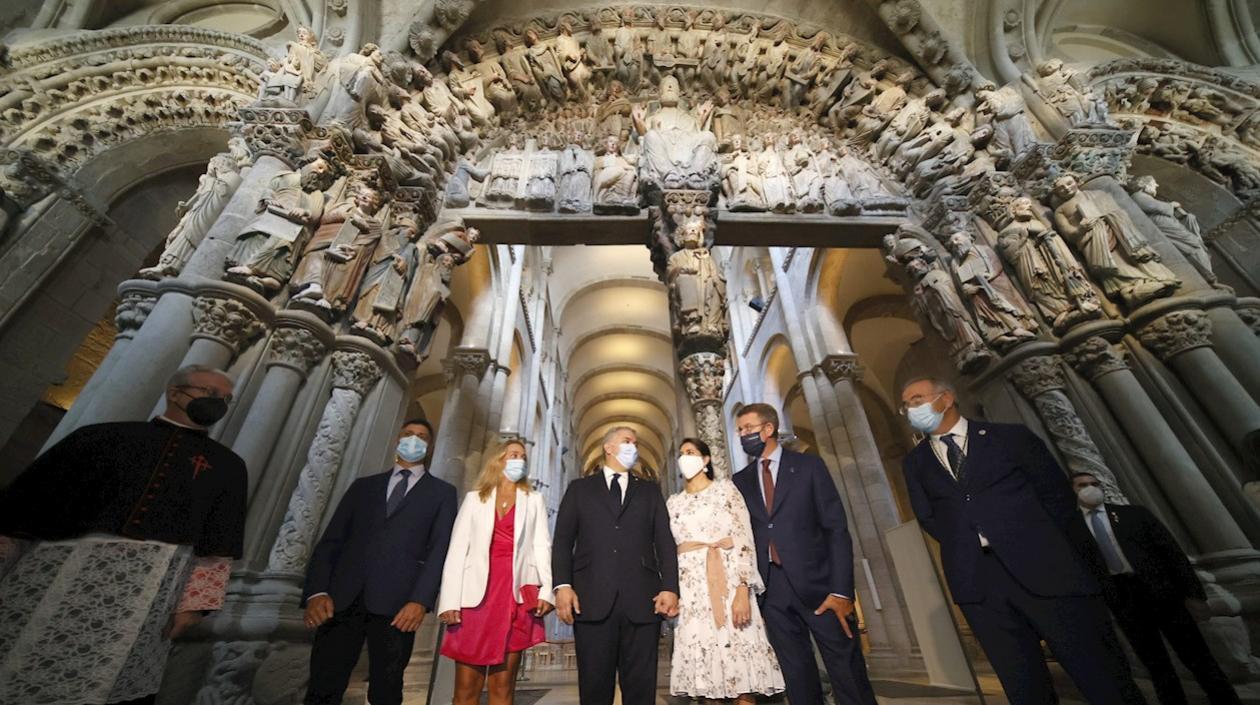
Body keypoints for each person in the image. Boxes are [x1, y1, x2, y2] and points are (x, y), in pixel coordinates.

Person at [0, 365, 246, 705]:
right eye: (210, 393)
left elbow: (218, 544)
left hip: (153, 586)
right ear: (175, 393)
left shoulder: (228, 466)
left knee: (111, 679)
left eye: (226, 399)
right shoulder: (100, 437)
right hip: (60, 569)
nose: (218, 402)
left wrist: (195, 607)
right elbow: (27, 507)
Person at [899, 377, 1147, 705]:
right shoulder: (915, 463)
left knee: (1099, 675)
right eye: (906, 405)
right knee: (1023, 686)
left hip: (1046, 568)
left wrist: (1080, 565)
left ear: (945, 399)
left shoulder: (1010, 437)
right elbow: (929, 516)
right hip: (980, 583)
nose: (911, 409)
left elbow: (1057, 499)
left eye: (917, 400)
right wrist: (968, 543)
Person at [302, 419, 457, 705]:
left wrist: (420, 601)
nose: (414, 440)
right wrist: (316, 591)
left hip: (398, 605)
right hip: (342, 598)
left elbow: (439, 550)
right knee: (323, 685)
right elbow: (332, 540)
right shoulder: (364, 486)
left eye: (421, 437)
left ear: (430, 446)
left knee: (386, 691)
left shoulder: (442, 493)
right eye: (408, 434)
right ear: (397, 440)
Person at [731, 403, 876, 705]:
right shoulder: (740, 481)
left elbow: (835, 529)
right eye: (740, 430)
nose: (743, 434)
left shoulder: (809, 466)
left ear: (768, 429)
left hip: (821, 586)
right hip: (772, 590)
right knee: (796, 675)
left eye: (748, 428)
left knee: (846, 671)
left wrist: (841, 591)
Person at [1070, 472, 1242, 705]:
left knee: (1197, 655)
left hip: (1161, 592)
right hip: (1123, 599)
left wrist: (1194, 594)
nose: (1090, 488)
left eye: (1094, 484)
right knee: (1155, 663)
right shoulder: (1072, 529)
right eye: (1082, 485)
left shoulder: (1133, 514)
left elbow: (1172, 554)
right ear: (1073, 490)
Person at [552, 426, 680, 705]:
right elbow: (562, 541)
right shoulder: (579, 489)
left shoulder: (649, 491)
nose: (633, 446)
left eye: (636, 442)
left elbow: (664, 542)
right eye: (627, 440)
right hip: (591, 598)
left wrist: (670, 587)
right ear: (608, 447)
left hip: (643, 599)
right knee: (594, 689)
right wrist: (562, 585)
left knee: (641, 690)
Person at [667, 438, 784, 702]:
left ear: (706, 460)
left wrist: (743, 588)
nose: (685, 457)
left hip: (730, 584)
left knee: (741, 674)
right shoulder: (673, 503)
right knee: (707, 684)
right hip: (693, 593)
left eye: (691, 452)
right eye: (681, 453)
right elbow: (669, 550)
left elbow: (744, 539)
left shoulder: (725, 491)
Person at [437, 440, 554, 705]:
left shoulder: (534, 500)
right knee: (466, 688)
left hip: (515, 596)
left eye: (523, 457)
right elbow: (457, 550)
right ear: (498, 460)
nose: (519, 460)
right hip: (475, 598)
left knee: (502, 687)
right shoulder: (474, 499)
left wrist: (546, 591)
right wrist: (449, 601)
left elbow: (542, 546)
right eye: (513, 455)